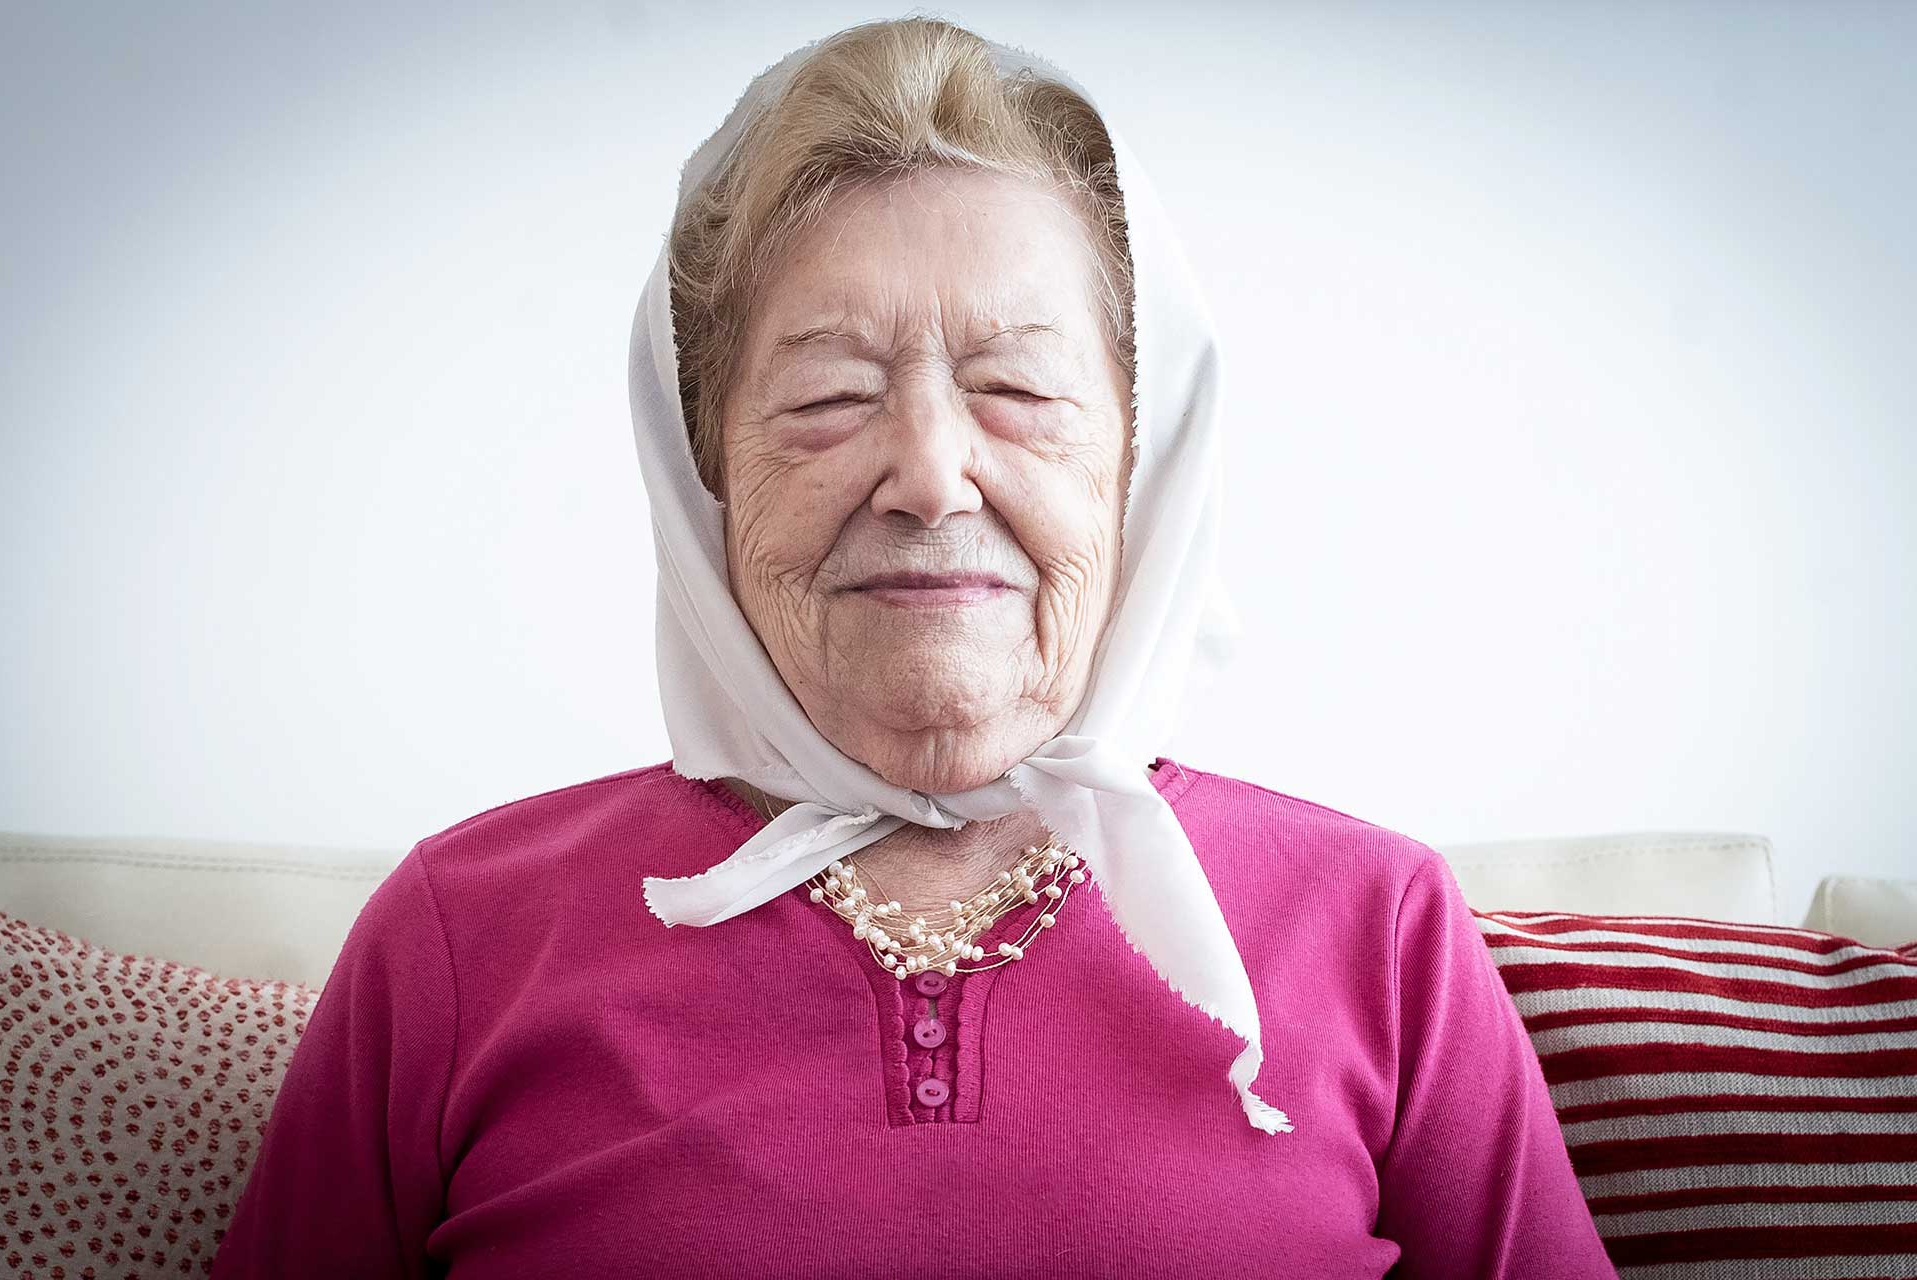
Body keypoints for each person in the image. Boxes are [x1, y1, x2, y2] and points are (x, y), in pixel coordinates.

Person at [210, 16, 1617, 1278]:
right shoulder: (459, 936)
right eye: (828, 396)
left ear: (1144, 464)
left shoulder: (1378, 923)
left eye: (1016, 387)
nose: (931, 476)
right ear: (704, 474)